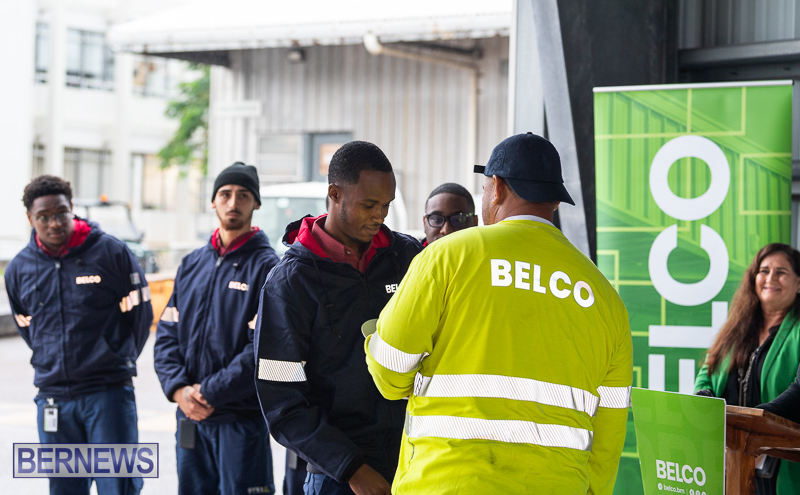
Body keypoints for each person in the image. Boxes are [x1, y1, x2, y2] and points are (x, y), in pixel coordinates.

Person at [365, 132, 633, 494]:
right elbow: (609, 430)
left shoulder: (447, 258)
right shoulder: (604, 296)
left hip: (446, 482)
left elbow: (389, 372)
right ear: (554, 200)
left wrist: (374, 339)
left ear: (497, 187)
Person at [255, 141, 423, 495]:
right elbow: (282, 400)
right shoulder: (290, 283)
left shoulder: (407, 257)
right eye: (369, 205)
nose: (380, 216)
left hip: (415, 462)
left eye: (386, 206)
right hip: (339, 476)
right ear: (334, 193)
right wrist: (351, 469)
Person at [5, 175, 153, 495]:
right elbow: (26, 325)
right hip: (53, 399)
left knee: (120, 486)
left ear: (72, 208)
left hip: (108, 394)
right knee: (65, 489)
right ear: (30, 218)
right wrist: (50, 359)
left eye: (60, 213)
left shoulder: (111, 253)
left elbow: (141, 315)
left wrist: (116, 355)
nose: (54, 223)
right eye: (43, 217)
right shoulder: (19, 268)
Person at [154, 162, 279, 495]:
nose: (233, 202)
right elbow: (167, 332)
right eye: (225, 194)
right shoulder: (193, 263)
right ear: (213, 202)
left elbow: (262, 348)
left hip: (239, 419)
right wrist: (179, 389)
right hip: (190, 416)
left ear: (256, 204)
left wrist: (209, 392)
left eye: (243, 195)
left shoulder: (269, 268)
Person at [695, 243, 800, 494]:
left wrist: (753, 430)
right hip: (725, 461)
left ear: (798, 283)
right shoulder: (737, 326)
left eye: (781, 272)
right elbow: (707, 373)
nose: (770, 278)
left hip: (780, 469)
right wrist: (702, 400)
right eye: (763, 270)